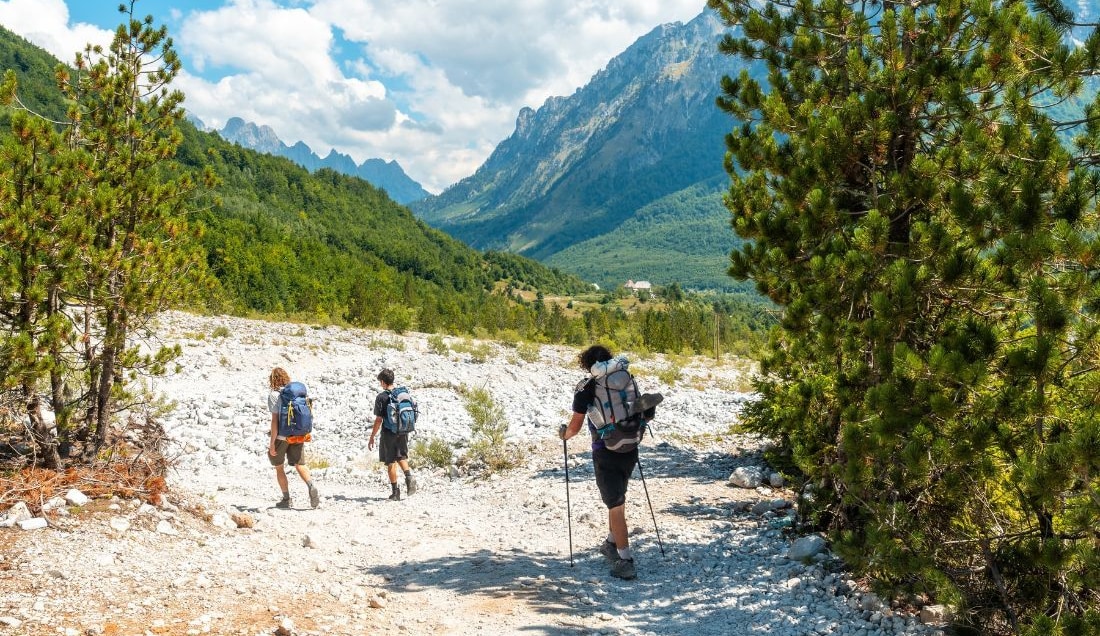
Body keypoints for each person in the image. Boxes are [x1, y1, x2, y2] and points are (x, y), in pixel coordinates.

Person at [559, 344, 658, 581]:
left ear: (588, 365)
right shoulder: (625, 379)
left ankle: (625, 560)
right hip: (631, 445)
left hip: (605, 449)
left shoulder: (587, 387)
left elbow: (574, 427)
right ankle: (611, 543)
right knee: (618, 497)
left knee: (616, 505)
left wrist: (564, 435)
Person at [267, 367, 320, 509]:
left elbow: (274, 421)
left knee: (279, 467)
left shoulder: (274, 395)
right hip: (298, 435)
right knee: (300, 464)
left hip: (282, 436)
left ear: (272, 380)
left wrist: (272, 443)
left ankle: (286, 499)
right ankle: (311, 485)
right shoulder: (297, 395)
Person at [368, 368, 418, 501]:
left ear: (383, 382)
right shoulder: (402, 394)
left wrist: (372, 436)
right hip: (403, 430)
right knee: (401, 456)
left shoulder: (382, 397)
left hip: (389, 432)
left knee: (390, 462)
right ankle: (409, 477)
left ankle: (395, 493)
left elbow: (379, 420)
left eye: (380, 382)